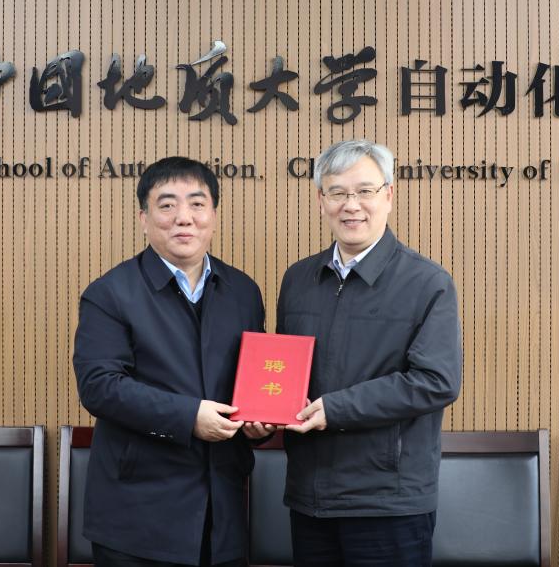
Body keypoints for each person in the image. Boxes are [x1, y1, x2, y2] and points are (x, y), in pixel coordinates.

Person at [74, 156, 273, 567]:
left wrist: (258, 423)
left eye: (197, 204)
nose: (184, 217)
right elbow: (100, 387)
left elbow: (249, 382)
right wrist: (189, 417)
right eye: (167, 205)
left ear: (213, 215)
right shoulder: (110, 293)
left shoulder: (243, 292)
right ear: (144, 219)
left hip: (223, 513)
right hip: (138, 516)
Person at [277, 139, 462, 567]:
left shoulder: (427, 282)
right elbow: (287, 372)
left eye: (365, 191)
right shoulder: (299, 279)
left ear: (389, 195)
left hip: (388, 502)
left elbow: (436, 381)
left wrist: (336, 408)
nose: (351, 205)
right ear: (321, 200)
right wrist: (262, 413)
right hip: (310, 498)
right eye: (337, 192)